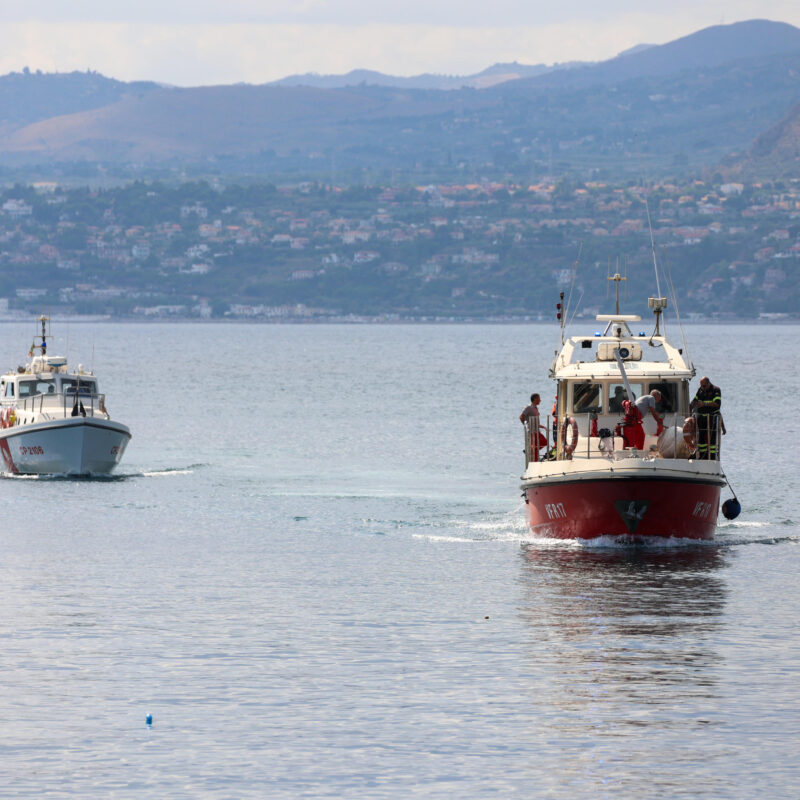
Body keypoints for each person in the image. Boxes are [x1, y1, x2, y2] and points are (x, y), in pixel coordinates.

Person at [690, 376, 721, 459]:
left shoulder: (716, 390)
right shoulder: (700, 390)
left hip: (711, 417)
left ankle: (712, 456)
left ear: (708, 383)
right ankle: (703, 455)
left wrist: (704, 404)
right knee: (701, 437)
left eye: (704, 386)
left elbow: (717, 404)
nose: (702, 388)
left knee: (712, 437)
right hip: (701, 417)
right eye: (701, 386)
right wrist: (690, 406)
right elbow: (695, 400)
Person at [520, 393, 547, 459]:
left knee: (544, 442)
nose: (540, 400)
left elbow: (535, 421)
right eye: (539, 399)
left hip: (536, 430)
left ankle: (529, 450)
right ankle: (531, 452)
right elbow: (521, 417)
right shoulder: (529, 407)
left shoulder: (536, 408)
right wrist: (526, 425)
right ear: (535, 399)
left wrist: (542, 426)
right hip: (531, 431)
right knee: (535, 445)